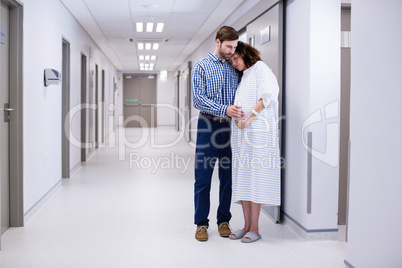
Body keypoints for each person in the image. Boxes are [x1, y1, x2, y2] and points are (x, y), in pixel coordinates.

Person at [192, 26, 245, 242]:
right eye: (228, 46)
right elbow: (198, 99)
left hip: (229, 128)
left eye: (234, 46)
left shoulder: (235, 68)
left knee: (227, 177)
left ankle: (224, 220)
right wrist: (224, 109)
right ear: (218, 42)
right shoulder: (202, 66)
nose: (232, 51)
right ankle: (201, 224)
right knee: (203, 178)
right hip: (208, 125)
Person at [228, 41, 281, 243]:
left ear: (245, 53)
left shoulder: (260, 69)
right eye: (230, 60)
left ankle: (256, 228)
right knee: (244, 179)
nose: (233, 62)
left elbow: (267, 96)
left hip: (257, 133)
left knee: (255, 179)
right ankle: (246, 225)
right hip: (243, 134)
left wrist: (248, 119)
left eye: (236, 58)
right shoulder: (245, 75)